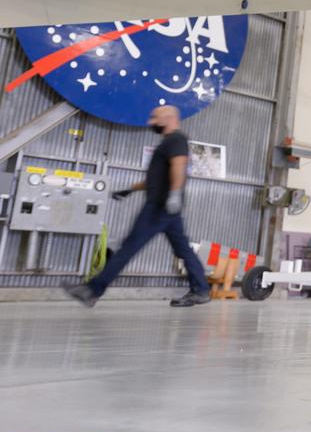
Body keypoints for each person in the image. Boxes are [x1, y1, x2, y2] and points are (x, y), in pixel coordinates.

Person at [63, 106, 210, 308]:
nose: (151, 122)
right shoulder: (168, 142)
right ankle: (201, 290)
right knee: (183, 250)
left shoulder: (176, 140)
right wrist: (129, 189)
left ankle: (92, 290)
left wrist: (174, 194)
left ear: (168, 118)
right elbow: (155, 178)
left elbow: (179, 166)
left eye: (154, 118)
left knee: (128, 248)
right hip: (166, 209)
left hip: (159, 207)